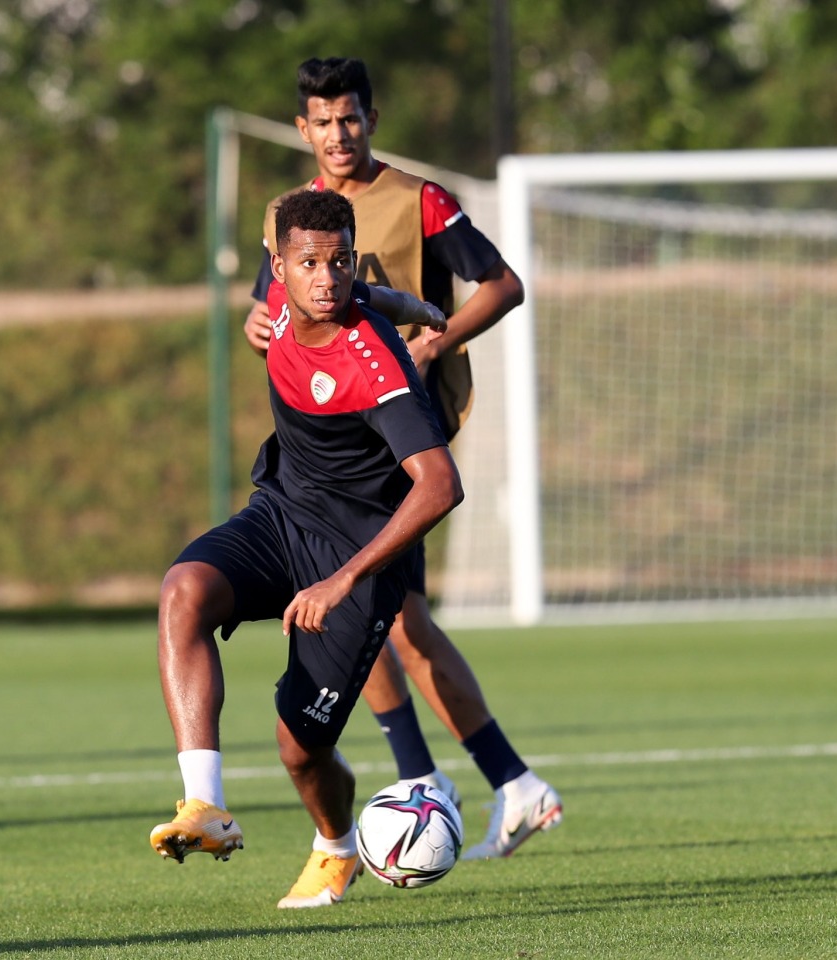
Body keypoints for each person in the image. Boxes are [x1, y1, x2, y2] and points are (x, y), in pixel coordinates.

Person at [244, 57, 562, 860]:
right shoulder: (295, 215)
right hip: (334, 447)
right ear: (303, 129)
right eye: (324, 121)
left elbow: (503, 283)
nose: (339, 134)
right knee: (395, 623)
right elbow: (270, 306)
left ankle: (457, 780)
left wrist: (436, 339)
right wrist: (257, 325)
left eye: (351, 118)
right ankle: (492, 782)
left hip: (399, 443)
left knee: (377, 617)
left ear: (371, 120)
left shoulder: (418, 199)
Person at [150, 188, 463, 909]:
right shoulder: (284, 301)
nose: (328, 279)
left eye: (341, 263)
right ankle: (205, 807)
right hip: (281, 516)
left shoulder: (373, 363)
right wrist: (415, 308)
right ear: (279, 267)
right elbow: (371, 294)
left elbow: (440, 484)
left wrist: (343, 580)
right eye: (311, 263)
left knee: (301, 752)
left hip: (354, 565)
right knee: (183, 591)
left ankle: (335, 846)